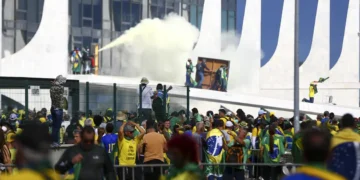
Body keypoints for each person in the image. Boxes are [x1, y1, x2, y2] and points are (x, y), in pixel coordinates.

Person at [50, 75, 67, 148]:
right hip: (58, 109)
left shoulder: (52, 88)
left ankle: (54, 141)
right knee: (57, 126)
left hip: (53, 107)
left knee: (54, 126)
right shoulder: (61, 88)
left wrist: (54, 82)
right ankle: (55, 142)